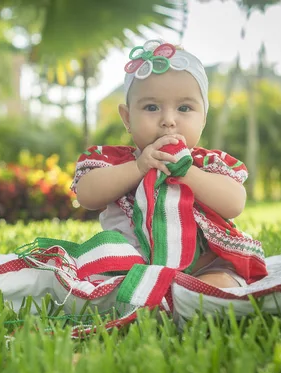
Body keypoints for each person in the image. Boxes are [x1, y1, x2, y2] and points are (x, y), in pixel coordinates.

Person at [70, 39, 267, 288]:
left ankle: (202, 292)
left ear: (203, 119)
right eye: (152, 107)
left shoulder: (206, 164)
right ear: (127, 118)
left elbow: (234, 203)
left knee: (221, 281)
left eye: (184, 107)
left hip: (202, 264)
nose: (168, 120)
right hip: (132, 264)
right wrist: (139, 167)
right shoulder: (117, 162)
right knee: (97, 271)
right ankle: (137, 291)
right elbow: (87, 195)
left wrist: (188, 173)